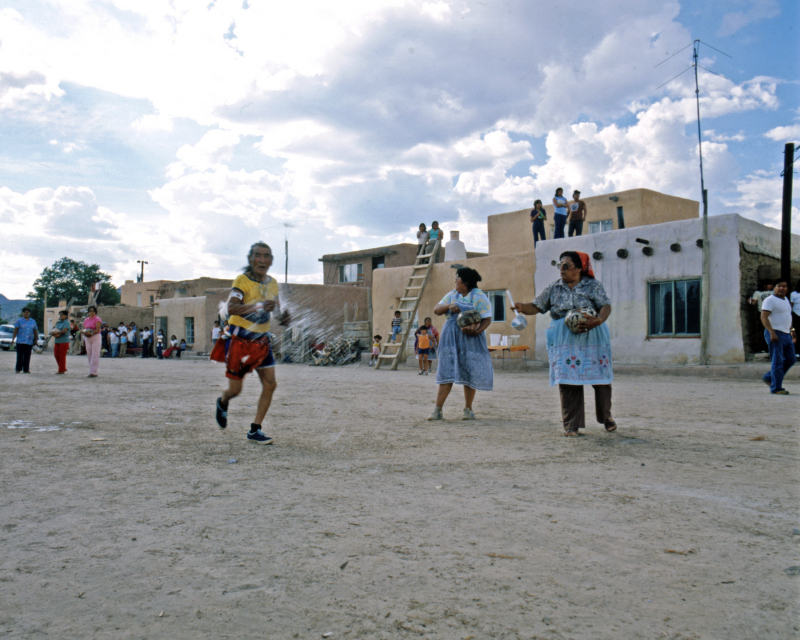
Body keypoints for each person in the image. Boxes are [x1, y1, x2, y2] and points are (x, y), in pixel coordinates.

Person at [512, 251, 615, 437]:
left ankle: (606, 417)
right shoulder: (554, 288)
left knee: (600, 378)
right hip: (564, 338)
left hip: (592, 334)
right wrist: (522, 307)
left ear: (579, 268)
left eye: (566, 265)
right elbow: (536, 306)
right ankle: (572, 425)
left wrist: (599, 320)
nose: (562, 269)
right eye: (560, 265)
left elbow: (605, 306)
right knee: (568, 380)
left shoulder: (593, 285)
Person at [213, 241, 289, 444]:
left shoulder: (273, 284)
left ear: (271, 261)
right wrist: (259, 306)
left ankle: (255, 430)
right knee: (235, 390)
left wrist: (285, 317)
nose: (262, 260)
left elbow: (277, 313)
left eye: (266, 256)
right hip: (240, 341)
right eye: (258, 255)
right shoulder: (242, 280)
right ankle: (223, 401)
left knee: (270, 384)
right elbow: (232, 308)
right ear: (250, 259)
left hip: (261, 341)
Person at [428, 267, 493, 420]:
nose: (455, 281)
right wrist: (448, 306)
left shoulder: (479, 297)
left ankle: (468, 409)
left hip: (470, 339)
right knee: (447, 370)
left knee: (469, 370)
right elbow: (437, 309)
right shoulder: (452, 295)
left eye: (457, 278)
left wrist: (477, 331)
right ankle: (438, 409)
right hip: (450, 338)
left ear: (466, 281)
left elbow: (487, 318)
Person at [760, 278, 797, 395]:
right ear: (774, 287)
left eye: (784, 286)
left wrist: (792, 330)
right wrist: (771, 332)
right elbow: (764, 316)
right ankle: (776, 388)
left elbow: (787, 315)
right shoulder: (770, 300)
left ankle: (769, 377)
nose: (781, 288)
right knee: (777, 361)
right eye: (779, 286)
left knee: (791, 359)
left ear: (787, 288)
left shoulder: (785, 299)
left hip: (786, 333)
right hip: (775, 333)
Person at [12, 307, 38, 374]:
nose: (26, 313)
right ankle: (18, 369)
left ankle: (26, 369)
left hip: (29, 341)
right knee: (20, 355)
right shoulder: (19, 321)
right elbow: (16, 330)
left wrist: (36, 340)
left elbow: (35, 331)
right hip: (20, 341)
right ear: (22, 313)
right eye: (24, 312)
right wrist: (13, 339)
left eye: (27, 312)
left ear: (29, 313)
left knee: (27, 356)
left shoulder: (33, 321)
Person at [82, 306, 103, 378]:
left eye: (93, 311)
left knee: (95, 354)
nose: (92, 312)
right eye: (90, 311)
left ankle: (93, 372)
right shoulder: (86, 320)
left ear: (95, 312)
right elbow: (84, 328)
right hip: (88, 338)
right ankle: (91, 370)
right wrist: (85, 333)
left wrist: (91, 333)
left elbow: (97, 329)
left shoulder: (97, 319)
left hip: (95, 336)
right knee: (89, 354)